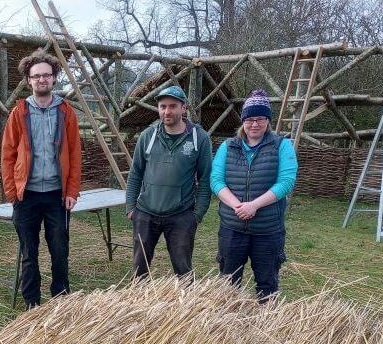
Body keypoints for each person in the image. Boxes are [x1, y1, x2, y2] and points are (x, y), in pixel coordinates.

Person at [1, 50, 82, 309]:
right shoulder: (19, 113)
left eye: (46, 75)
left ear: (54, 78)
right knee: (29, 252)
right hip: (28, 196)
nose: (42, 80)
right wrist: (13, 193)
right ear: (29, 80)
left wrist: (72, 191)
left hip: (57, 195)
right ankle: (32, 304)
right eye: (36, 76)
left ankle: (60, 300)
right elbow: (7, 154)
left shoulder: (66, 112)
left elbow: (74, 153)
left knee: (60, 251)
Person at [210, 89, 298, 301]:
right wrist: (238, 206)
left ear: (268, 120)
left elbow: (286, 182)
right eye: (249, 119)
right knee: (228, 284)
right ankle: (227, 325)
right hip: (232, 228)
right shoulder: (227, 146)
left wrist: (254, 205)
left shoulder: (282, 146)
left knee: (267, 284)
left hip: (267, 231)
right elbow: (216, 180)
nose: (254, 124)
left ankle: (266, 324)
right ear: (243, 121)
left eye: (260, 119)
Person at [125, 85, 212, 278]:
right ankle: (139, 304)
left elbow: (205, 179)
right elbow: (135, 173)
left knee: (183, 270)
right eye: (162, 106)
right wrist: (131, 207)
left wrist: (196, 215)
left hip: (181, 215)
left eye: (172, 106)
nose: (167, 111)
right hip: (146, 213)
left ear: (184, 108)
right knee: (139, 269)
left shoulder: (199, 138)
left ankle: (186, 305)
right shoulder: (148, 136)